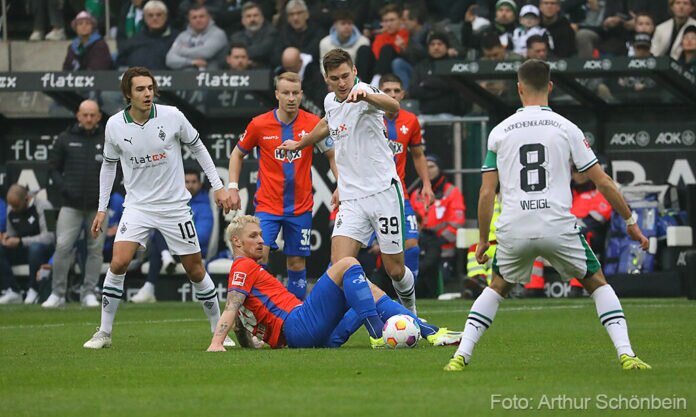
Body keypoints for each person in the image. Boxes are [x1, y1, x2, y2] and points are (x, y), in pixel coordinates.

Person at [443, 59, 652, 371]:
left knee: (497, 287)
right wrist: (631, 222)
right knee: (597, 283)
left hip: (514, 226)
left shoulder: (499, 132)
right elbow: (604, 183)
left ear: (519, 88)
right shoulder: (567, 128)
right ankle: (627, 354)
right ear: (550, 87)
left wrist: (483, 240)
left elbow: (486, 193)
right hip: (557, 225)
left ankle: (461, 356)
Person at [83, 66, 234, 349]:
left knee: (195, 270)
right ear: (128, 94)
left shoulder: (172, 115)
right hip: (137, 206)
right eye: (140, 89)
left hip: (174, 206)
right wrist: (102, 208)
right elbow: (109, 166)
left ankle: (219, 331)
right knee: (118, 262)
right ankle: (104, 332)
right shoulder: (114, 125)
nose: (147, 93)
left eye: (150, 88)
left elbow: (198, 147)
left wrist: (218, 185)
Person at [277, 49, 418, 315]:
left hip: (383, 193)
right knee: (340, 267)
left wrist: (367, 96)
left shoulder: (365, 92)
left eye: (345, 76)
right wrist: (301, 143)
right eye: (335, 78)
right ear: (326, 79)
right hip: (352, 197)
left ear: (354, 71)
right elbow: (327, 123)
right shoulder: (330, 100)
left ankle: (411, 312)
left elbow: (393, 106)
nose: (342, 83)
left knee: (395, 270)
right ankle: (374, 320)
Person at [206, 215, 460, 351]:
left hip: (310, 337)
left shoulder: (245, 272)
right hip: (298, 325)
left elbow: (238, 322)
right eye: (254, 236)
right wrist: (216, 343)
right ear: (237, 242)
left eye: (261, 235)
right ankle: (378, 334)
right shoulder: (243, 265)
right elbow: (231, 307)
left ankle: (430, 332)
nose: (261, 240)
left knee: (366, 290)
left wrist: (252, 345)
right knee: (348, 263)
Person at [228, 72, 335, 301]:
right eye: (286, 93)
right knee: (259, 256)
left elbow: (332, 155)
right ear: (277, 94)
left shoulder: (313, 123)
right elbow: (237, 154)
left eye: (295, 93)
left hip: (300, 207)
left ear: (301, 94)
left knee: (296, 262)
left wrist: (341, 186)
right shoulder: (259, 124)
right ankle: (260, 310)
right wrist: (233, 187)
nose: (291, 98)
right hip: (267, 206)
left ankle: (295, 312)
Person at [41, 100, 105, 308]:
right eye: (85, 115)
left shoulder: (107, 139)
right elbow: (53, 168)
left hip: (98, 207)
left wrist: (107, 193)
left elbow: (118, 168)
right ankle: (57, 293)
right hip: (70, 204)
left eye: (92, 115)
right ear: (78, 115)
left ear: (99, 116)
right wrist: (65, 188)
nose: (88, 119)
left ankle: (89, 293)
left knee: (95, 250)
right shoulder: (65, 138)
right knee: (62, 247)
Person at [378, 73, 434, 287]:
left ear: (403, 94)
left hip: (398, 194)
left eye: (396, 91)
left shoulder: (410, 120)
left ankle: (409, 300)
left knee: (411, 244)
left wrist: (426, 184)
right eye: (387, 90)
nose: (392, 95)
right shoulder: (369, 117)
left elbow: (418, 155)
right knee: (348, 251)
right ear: (379, 93)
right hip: (369, 194)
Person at [130, 169, 214, 303]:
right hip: (174, 248)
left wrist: (176, 238)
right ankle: (165, 257)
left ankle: (151, 284)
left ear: (200, 184)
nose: (190, 185)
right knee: (159, 228)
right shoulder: (175, 203)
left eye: (194, 182)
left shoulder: (204, 206)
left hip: (193, 249)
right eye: (187, 182)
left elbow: (202, 236)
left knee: (158, 241)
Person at [410, 154, 465, 285]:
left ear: (440, 168)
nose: (428, 170)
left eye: (431, 166)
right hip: (420, 248)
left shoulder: (451, 192)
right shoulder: (416, 194)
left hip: (444, 249)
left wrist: (439, 241)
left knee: (441, 283)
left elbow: (457, 223)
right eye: (425, 167)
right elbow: (410, 221)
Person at [0, 185, 55, 305]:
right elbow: (11, 233)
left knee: (35, 249)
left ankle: (33, 289)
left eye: (16, 206)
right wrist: (7, 239)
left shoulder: (45, 206)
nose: (13, 209)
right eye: (11, 206)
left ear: (26, 199)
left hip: (43, 249)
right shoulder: (10, 209)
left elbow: (49, 237)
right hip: (21, 249)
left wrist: (21, 241)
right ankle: (13, 290)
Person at [116, 0, 178, 70]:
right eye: (150, 15)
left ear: (166, 16)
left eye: (159, 15)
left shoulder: (177, 39)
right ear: (144, 18)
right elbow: (120, 65)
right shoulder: (134, 40)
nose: (155, 18)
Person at [166, 4, 228, 70]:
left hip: (214, 73)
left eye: (201, 16)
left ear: (209, 17)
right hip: (188, 74)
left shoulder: (218, 33)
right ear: (189, 20)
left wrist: (181, 51)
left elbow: (205, 53)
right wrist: (191, 62)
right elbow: (169, 60)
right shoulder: (182, 36)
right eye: (194, 17)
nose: (198, 20)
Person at [229, 2, 278, 68]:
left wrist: (242, 56)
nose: (252, 19)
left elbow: (262, 51)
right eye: (248, 16)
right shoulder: (235, 37)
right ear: (242, 20)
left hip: (265, 70)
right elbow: (227, 56)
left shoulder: (271, 33)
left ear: (262, 18)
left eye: (255, 15)